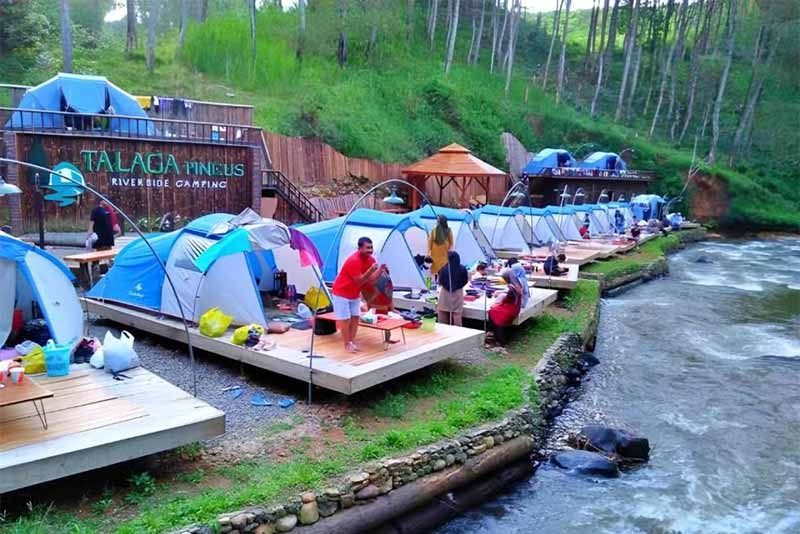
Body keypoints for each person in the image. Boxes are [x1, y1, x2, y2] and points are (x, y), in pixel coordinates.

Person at [331, 236, 383, 353]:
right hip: (341, 292)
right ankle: (346, 344)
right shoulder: (353, 260)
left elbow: (371, 280)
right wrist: (371, 270)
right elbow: (359, 280)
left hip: (354, 293)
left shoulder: (371, 260)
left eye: (371, 247)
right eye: (367, 248)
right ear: (359, 248)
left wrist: (380, 271)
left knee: (355, 317)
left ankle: (352, 341)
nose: (370, 250)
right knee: (345, 319)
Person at [487, 269, 522, 346]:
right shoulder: (517, 285)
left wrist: (497, 304)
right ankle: (494, 334)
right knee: (494, 310)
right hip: (515, 307)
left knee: (492, 312)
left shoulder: (512, 288)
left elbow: (506, 300)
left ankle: (497, 337)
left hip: (510, 309)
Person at [437, 251, 468, 326]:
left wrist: (447, 286)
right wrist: (458, 286)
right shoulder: (463, 269)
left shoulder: (443, 268)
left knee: (443, 314)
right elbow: (465, 281)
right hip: (458, 293)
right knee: (457, 315)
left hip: (445, 294)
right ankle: (457, 334)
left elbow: (440, 281)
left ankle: (443, 333)